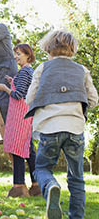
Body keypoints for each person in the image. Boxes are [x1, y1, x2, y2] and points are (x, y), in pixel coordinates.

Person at [25, 30, 98, 219]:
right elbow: (94, 100)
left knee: (42, 168)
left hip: (50, 129)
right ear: (72, 49)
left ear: (49, 48)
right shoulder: (82, 70)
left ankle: (51, 186)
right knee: (76, 178)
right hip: (75, 128)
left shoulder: (43, 68)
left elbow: (29, 98)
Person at [0, 44, 41, 198]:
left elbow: (18, 95)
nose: (16, 57)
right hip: (26, 115)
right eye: (15, 54)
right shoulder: (29, 71)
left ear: (28, 55)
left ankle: (19, 187)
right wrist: (12, 81)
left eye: (19, 54)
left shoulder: (24, 72)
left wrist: (4, 88)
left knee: (17, 150)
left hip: (19, 117)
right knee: (28, 150)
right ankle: (36, 185)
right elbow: (23, 88)